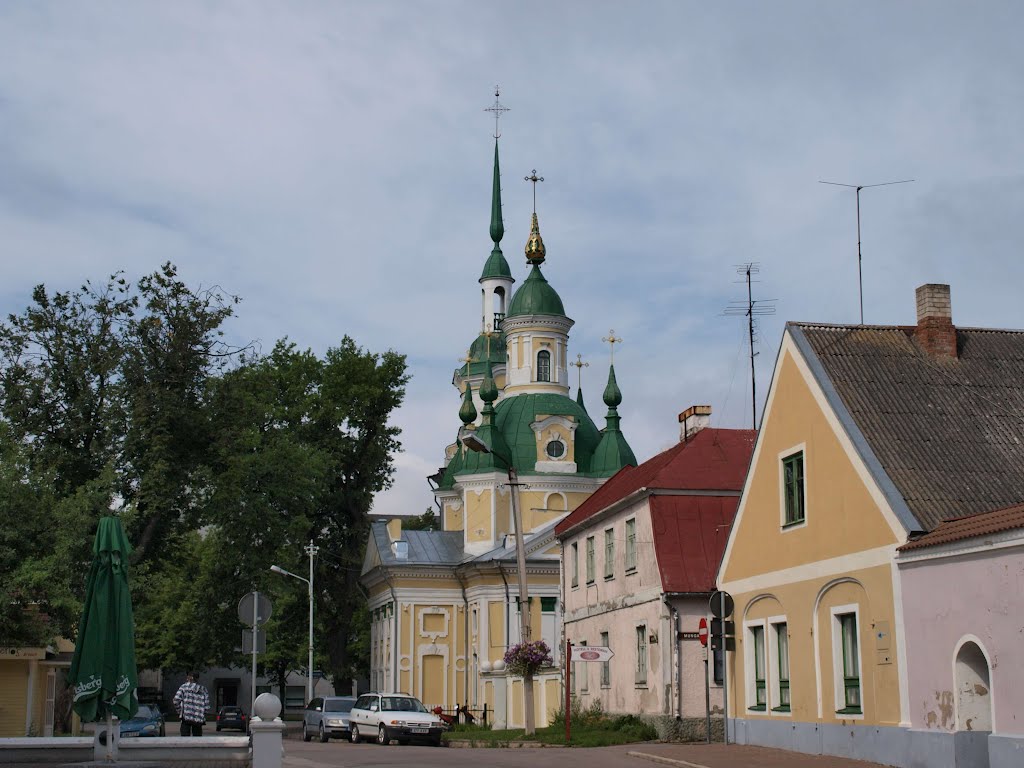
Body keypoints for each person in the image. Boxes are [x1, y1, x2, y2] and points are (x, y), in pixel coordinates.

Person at [173, 671, 210, 736]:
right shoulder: (203, 689)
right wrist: (202, 714)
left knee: (184, 740)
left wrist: (180, 711)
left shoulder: (183, 688)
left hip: (186, 717)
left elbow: (176, 700)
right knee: (197, 740)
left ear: (189, 678)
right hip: (198, 719)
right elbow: (207, 707)